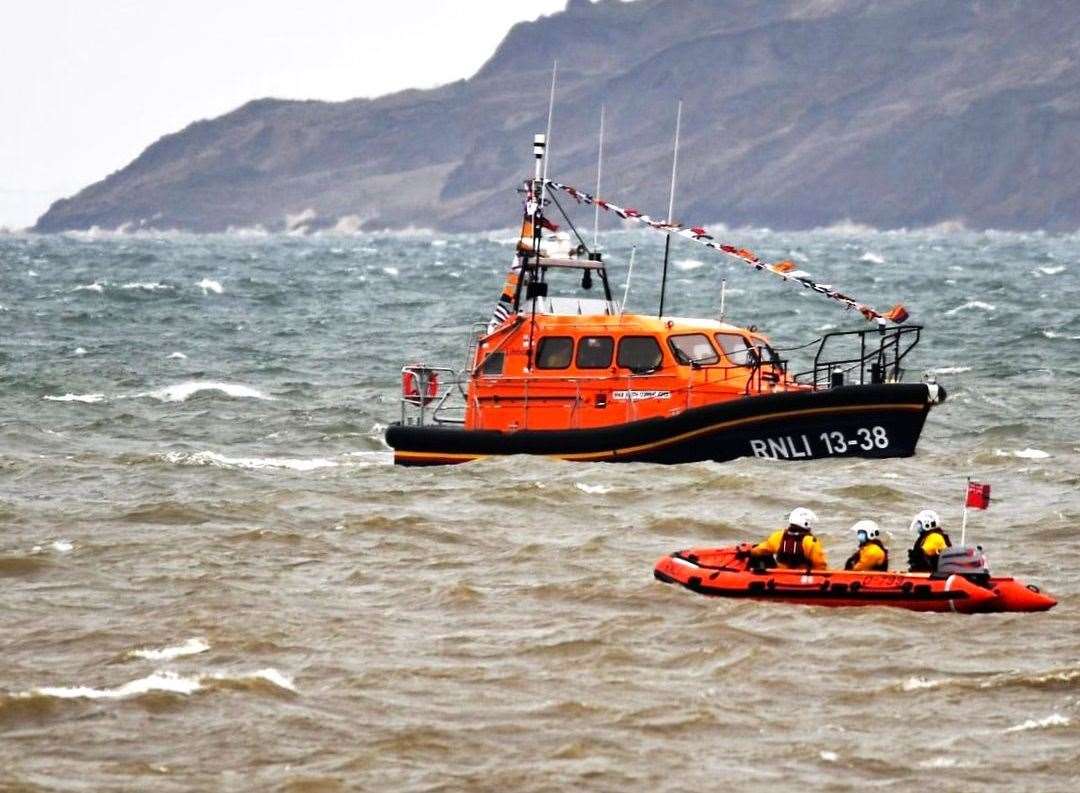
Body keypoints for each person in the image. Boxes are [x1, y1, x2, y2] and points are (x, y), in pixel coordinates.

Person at [749, 507, 828, 570]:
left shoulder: (778, 536)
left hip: (780, 575)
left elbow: (758, 551)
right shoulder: (811, 542)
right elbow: (821, 565)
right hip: (802, 579)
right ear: (806, 523)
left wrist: (749, 551)